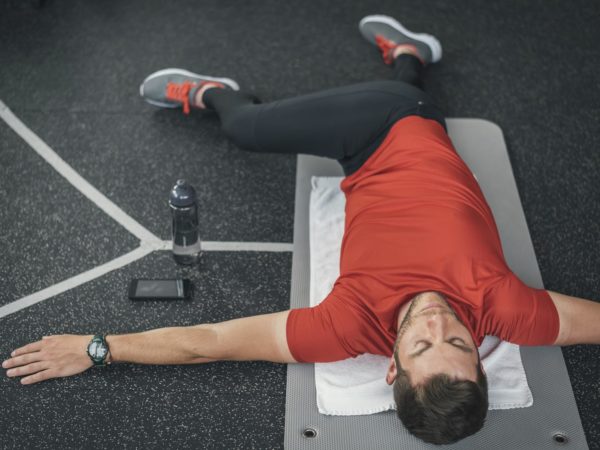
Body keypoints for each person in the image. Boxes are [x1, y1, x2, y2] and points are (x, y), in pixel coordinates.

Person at [3, 15, 599, 445]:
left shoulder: (346, 327)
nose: (440, 324)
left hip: (363, 155)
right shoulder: (510, 309)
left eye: (423, 345)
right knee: (248, 127)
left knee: (258, 133)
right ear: (480, 351)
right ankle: (225, 94)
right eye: (461, 343)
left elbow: (211, 342)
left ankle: (408, 54)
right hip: (391, 118)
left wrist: (96, 348)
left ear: (391, 367)